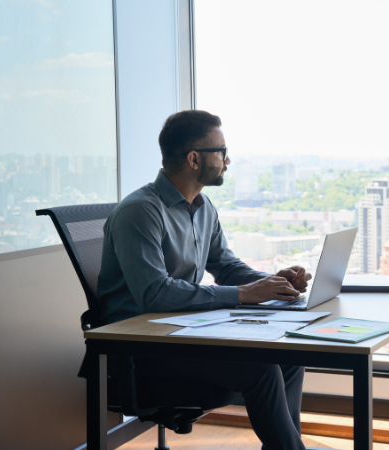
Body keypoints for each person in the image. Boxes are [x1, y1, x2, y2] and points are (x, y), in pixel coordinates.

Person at [97, 109, 312, 449]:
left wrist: (272, 282)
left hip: (185, 334)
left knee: (288, 354)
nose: (228, 161)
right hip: (142, 349)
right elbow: (154, 294)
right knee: (260, 368)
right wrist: (242, 294)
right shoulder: (140, 212)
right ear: (194, 158)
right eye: (221, 152)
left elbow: (225, 266)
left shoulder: (203, 206)